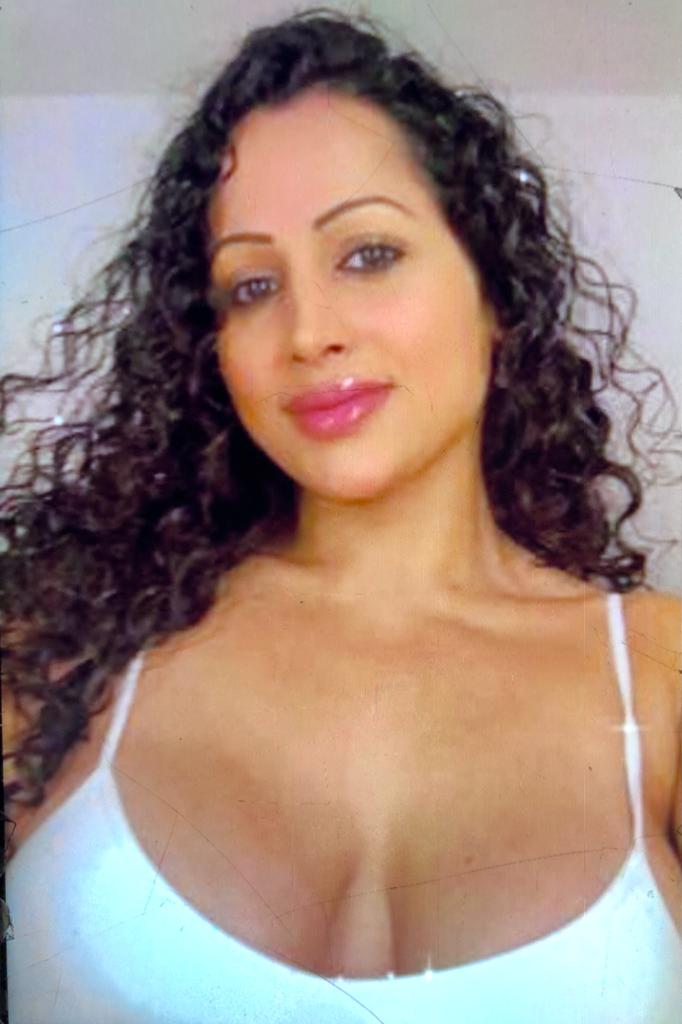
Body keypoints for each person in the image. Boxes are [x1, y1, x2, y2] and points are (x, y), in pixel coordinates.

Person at [1, 7, 681, 1023]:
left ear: (495, 292)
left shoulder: (663, 676)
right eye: (251, 285)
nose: (308, 331)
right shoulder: (55, 648)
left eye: (367, 253)